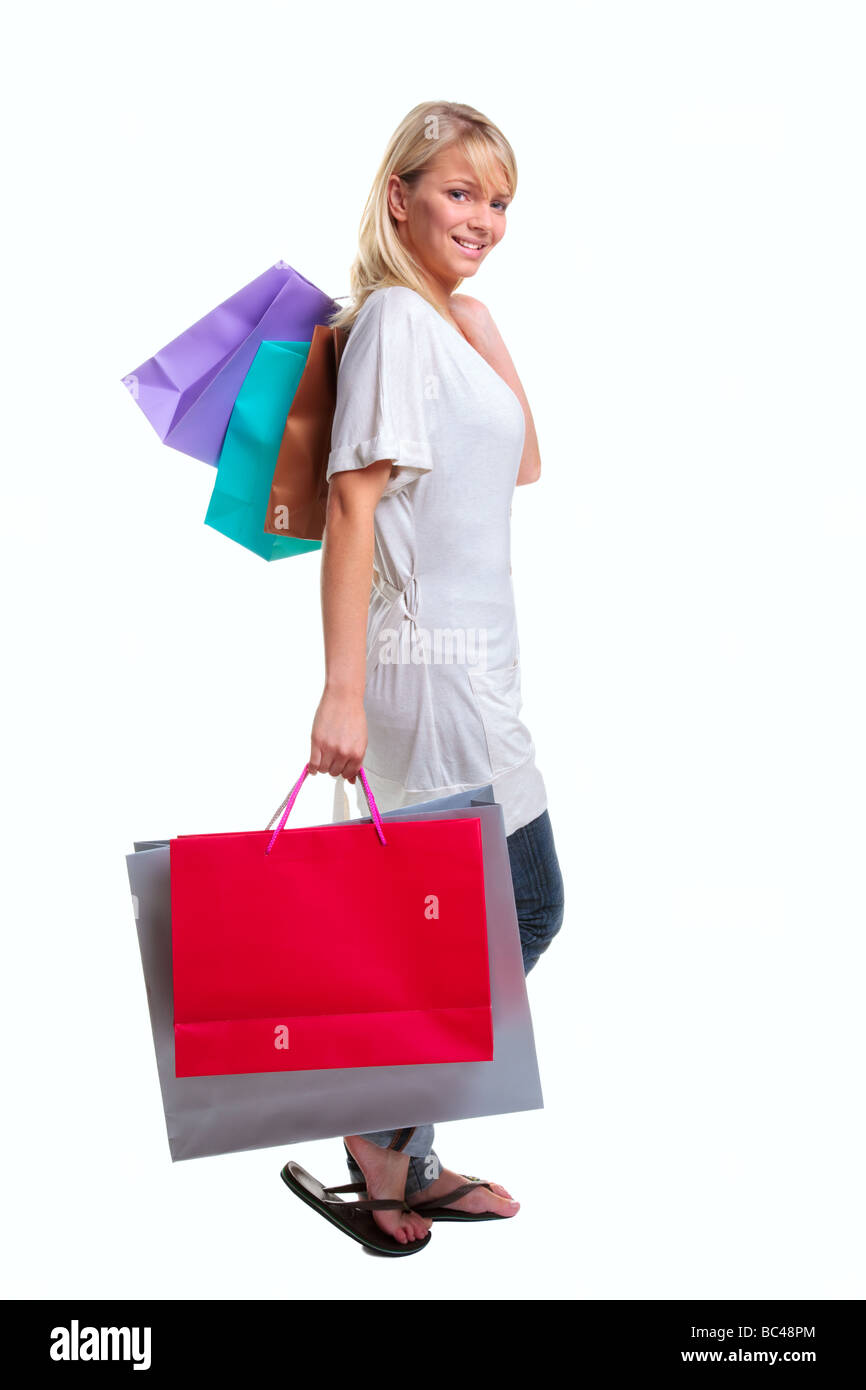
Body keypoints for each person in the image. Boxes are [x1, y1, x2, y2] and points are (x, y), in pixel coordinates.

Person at [307, 101, 565, 1248]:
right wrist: (343, 690)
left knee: (462, 920)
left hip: (483, 668)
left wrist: (478, 318)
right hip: (423, 672)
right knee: (515, 906)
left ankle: (404, 1150)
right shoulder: (392, 330)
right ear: (399, 193)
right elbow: (351, 500)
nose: (484, 218)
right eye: (459, 192)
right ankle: (377, 1135)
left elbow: (522, 460)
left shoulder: (444, 322)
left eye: (499, 200)